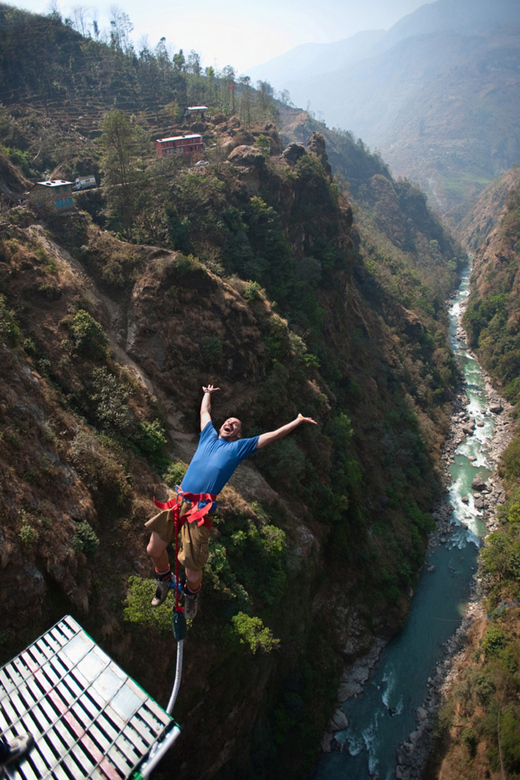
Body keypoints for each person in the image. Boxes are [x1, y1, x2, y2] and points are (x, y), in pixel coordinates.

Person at [146, 384, 317, 618]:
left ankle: (191, 595)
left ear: (238, 434)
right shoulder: (207, 436)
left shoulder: (238, 448)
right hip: (178, 500)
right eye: (229, 421)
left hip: (199, 510)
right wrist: (206, 393)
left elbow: (272, 436)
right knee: (153, 549)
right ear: (223, 426)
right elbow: (204, 413)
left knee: (193, 572)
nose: (231, 424)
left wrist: (296, 422)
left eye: (236, 425)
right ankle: (165, 578)